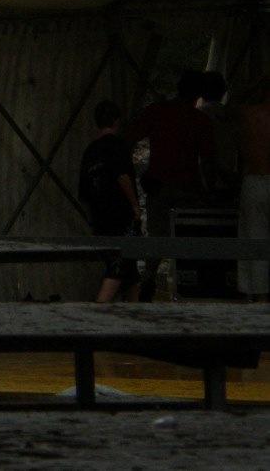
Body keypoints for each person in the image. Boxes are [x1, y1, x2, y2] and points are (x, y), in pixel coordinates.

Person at [127, 70, 217, 301]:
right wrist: (209, 190)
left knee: (157, 234)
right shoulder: (200, 120)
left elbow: (131, 137)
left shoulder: (157, 111)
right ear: (197, 93)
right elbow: (207, 160)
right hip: (189, 186)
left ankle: (150, 274)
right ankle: (189, 281)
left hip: (158, 183)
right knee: (190, 235)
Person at [78, 100, 142, 302]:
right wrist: (135, 208)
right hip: (121, 216)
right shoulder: (119, 146)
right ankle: (99, 311)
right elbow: (123, 178)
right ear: (117, 121)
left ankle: (134, 315)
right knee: (118, 267)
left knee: (128, 271)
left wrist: (92, 221)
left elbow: (84, 193)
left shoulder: (91, 150)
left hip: (100, 217)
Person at [236, 78, 270, 302]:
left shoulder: (248, 115)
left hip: (255, 180)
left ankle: (260, 299)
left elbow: (231, 105)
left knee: (255, 242)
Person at [198, 70, 239, 204]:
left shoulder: (199, 115)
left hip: (204, 183)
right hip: (229, 181)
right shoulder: (231, 116)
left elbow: (205, 156)